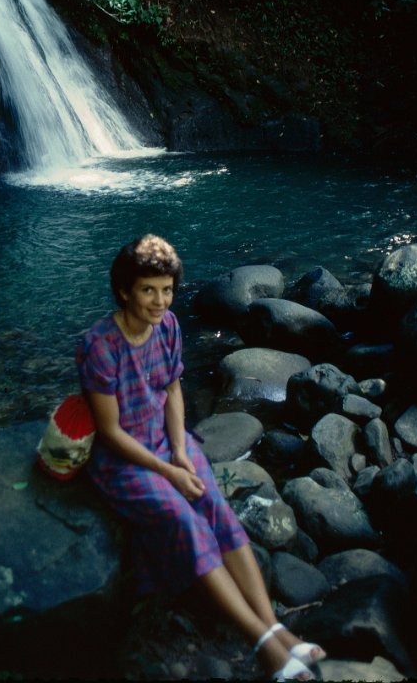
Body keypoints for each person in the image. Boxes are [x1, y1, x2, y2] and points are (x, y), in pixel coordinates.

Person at [76, 234, 326, 682]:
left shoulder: (168, 326)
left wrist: (178, 450)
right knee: (186, 524)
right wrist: (168, 470)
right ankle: (265, 647)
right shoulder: (99, 346)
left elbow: (172, 390)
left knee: (218, 512)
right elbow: (110, 432)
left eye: (167, 290)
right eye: (148, 290)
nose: (160, 301)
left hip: (166, 441)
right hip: (125, 460)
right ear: (124, 291)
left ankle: (277, 629)